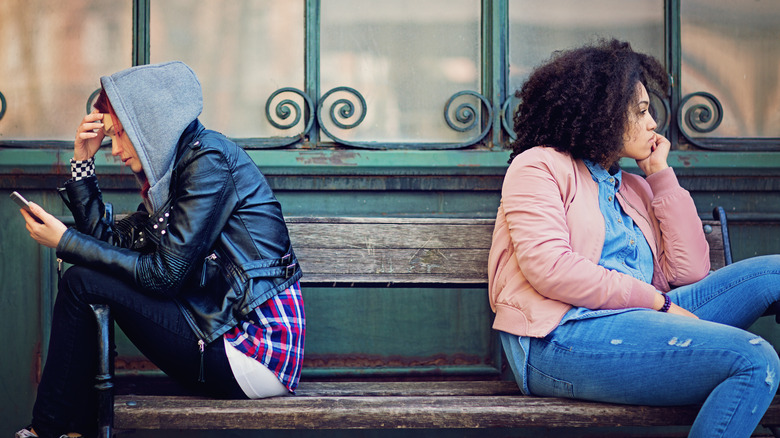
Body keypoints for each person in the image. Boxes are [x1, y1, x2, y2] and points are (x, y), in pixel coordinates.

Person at [488, 39, 780, 437]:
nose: (653, 123)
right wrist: (657, 303)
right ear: (603, 113)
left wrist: (659, 176)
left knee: (774, 273)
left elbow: (689, 272)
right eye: (641, 111)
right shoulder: (538, 167)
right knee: (754, 360)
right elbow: (551, 269)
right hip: (560, 338)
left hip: (645, 318)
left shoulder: (635, 186)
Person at [16, 61, 305, 438]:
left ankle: (47, 430)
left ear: (149, 125)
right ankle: (70, 430)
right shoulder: (175, 175)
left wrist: (67, 242)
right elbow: (109, 246)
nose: (116, 150)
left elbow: (165, 276)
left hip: (256, 350)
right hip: (222, 334)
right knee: (85, 280)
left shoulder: (209, 162)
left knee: (81, 282)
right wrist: (83, 163)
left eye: (120, 135)